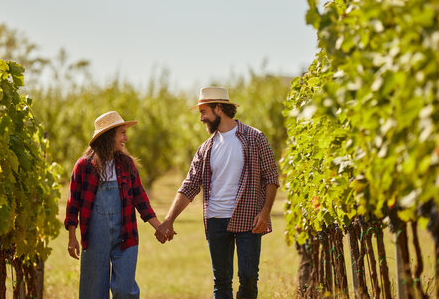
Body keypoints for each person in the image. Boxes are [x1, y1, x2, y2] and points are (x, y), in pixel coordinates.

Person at [157, 86, 280, 299]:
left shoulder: (255, 138)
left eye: (204, 112)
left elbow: (271, 176)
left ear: (219, 108)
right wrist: (168, 219)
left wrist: (265, 211)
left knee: (249, 277)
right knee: (221, 282)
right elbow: (189, 186)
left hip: (248, 217)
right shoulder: (205, 149)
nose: (201, 118)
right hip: (215, 219)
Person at [65, 111, 164, 299]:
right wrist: (72, 237)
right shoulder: (83, 167)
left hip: (125, 236)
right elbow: (73, 204)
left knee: (125, 290)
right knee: (93, 293)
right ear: (109, 136)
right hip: (95, 238)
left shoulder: (127, 165)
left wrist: (159, 227)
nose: (126, 138)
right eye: (122, 133)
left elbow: (140, 199)